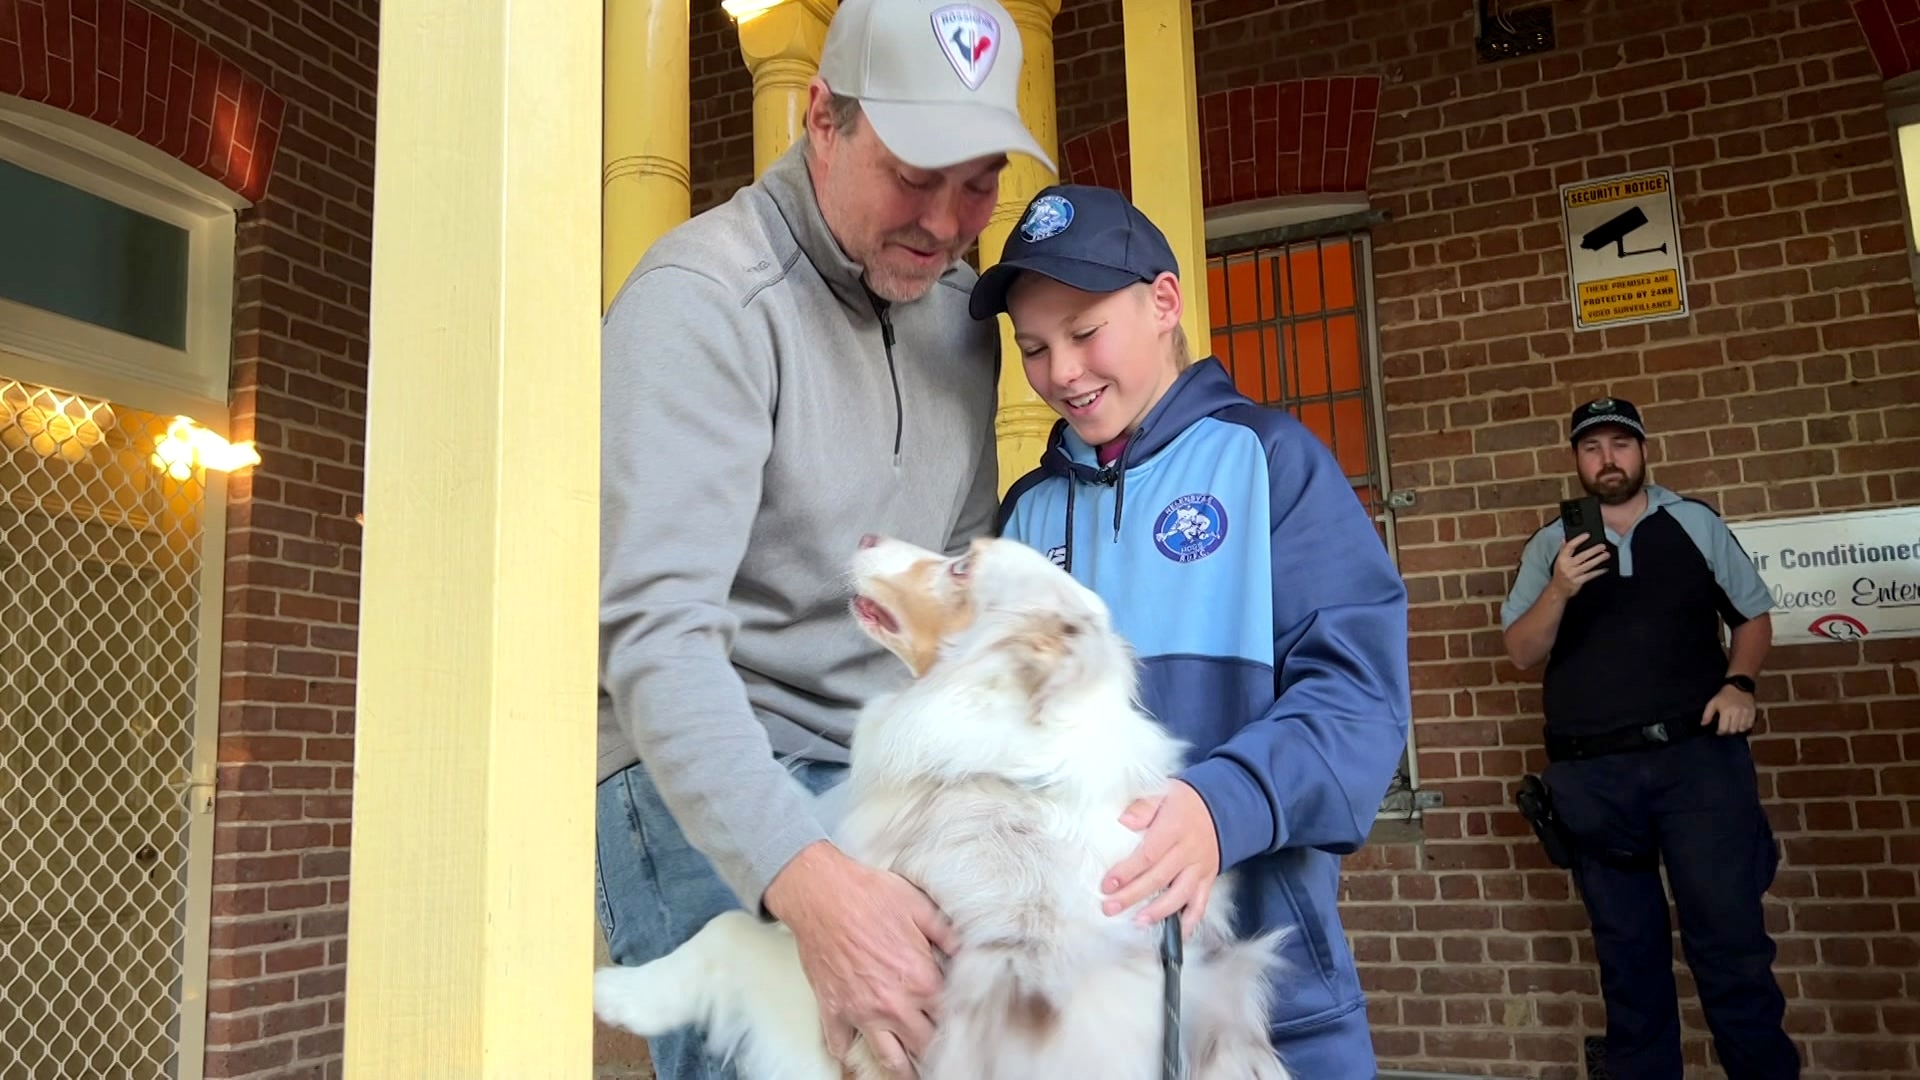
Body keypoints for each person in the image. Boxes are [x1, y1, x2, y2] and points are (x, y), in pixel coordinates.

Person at [595, 0, 1052, 1075]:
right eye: (912, 171)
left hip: (878, 764)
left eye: (978, 179)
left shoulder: (959, 320)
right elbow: (659, 642)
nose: (946, 223)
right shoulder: (700, 301)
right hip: (704, 757)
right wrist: (817, 887)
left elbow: (949, 599)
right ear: (821, 121)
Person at [978, 184, 1413, 1078]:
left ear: (1165, 302)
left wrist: (1222, 807)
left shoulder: (1270, 460)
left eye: (1085, 330)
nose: (1061, 369)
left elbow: (1361, 699)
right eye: (1032, 347)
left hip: (1267, 998)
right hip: (1077, 1014)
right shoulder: (1022, 515)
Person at [1500, 397, 1798, 1080]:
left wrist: (1740, 685)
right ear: (1576, 460)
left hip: (1698, 766)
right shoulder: (1554, 544)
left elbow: (1753, 619)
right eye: (1592, 448)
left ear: (1643, 449)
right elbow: (1521, 650)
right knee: (1627, 963)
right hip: (1595, 780)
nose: (1608, 460)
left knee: (1732, 949)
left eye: (1620, 445)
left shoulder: (1692, 522)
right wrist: (1560, 589)